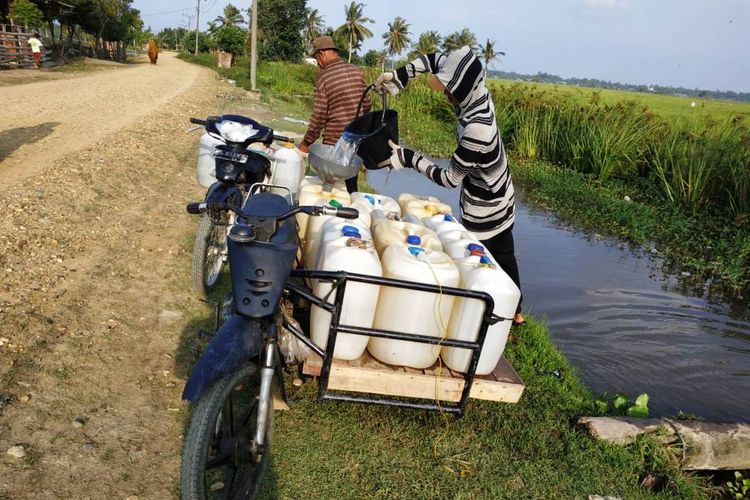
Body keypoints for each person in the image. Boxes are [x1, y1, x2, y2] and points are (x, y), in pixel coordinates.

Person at [375, 46, 525, 326]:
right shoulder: (474, 88)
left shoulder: (478, 130)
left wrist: (408, 158)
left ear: (463, 90)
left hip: (487, 204)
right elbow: (433, 59)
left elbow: (449, 179)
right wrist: (399, 77)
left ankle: (493, 318)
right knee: (505, 255)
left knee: (480, 263)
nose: (445, 93)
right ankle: (516, 311)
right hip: (501, 188)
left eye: (449, 90)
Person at [298, 36, 371, 194]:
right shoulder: (356, 71)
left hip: (333, 143)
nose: (317, 63)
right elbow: (367, 104)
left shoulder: (323, 77)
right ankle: (353, 211)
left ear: (322, 54)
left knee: (328, 187)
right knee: (350, 184)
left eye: (316, 58)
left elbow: (319, 116)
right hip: (356, 141)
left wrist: (306, 143)